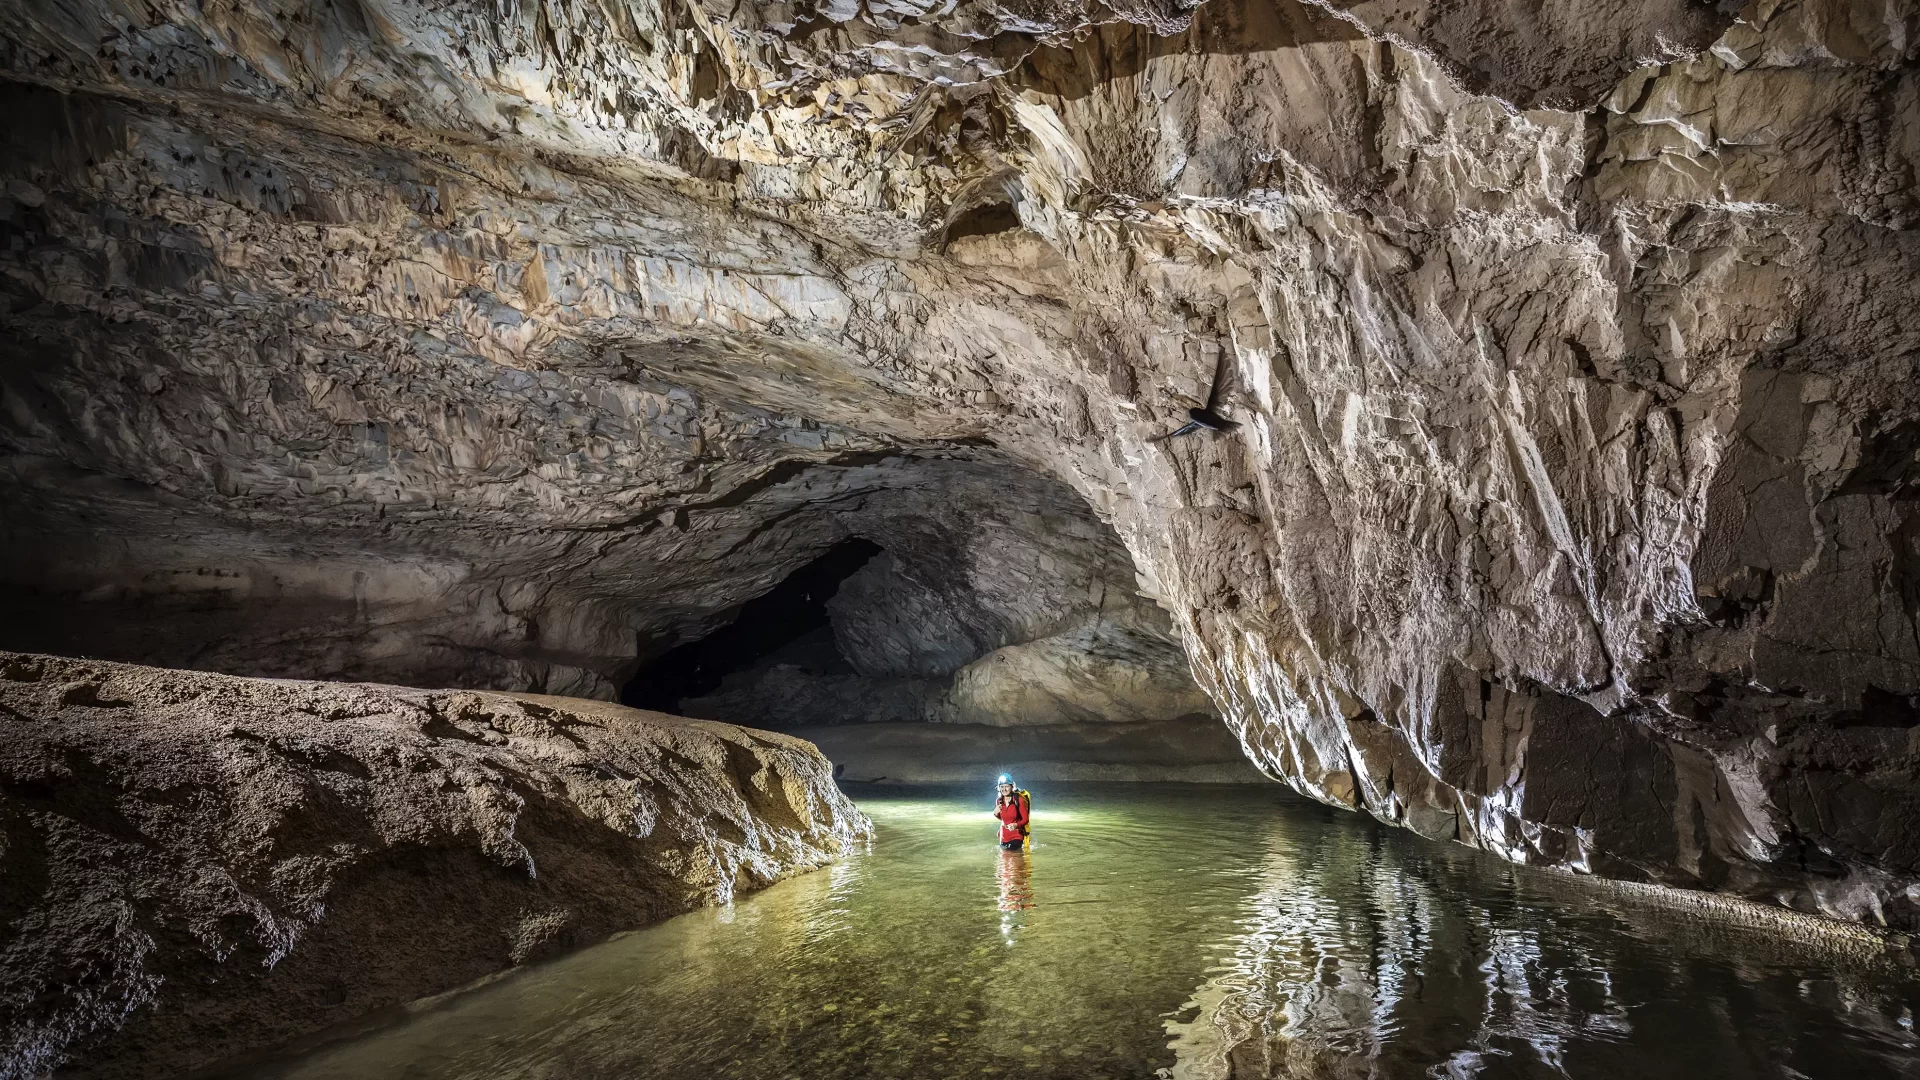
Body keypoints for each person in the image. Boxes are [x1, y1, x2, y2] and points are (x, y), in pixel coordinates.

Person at [993, 775, 1030, 851]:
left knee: (1014, 859)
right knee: (1003, 861)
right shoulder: (999, 801)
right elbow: (1004, 819)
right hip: (1003, 836)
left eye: (1006, 786)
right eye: (1002, 787)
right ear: (999, 788)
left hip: (1016, 836)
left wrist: (1016, 825)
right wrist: (995, 813)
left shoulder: (1019, 800)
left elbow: (1026, 819)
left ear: (1012, 787)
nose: (1004, 789)